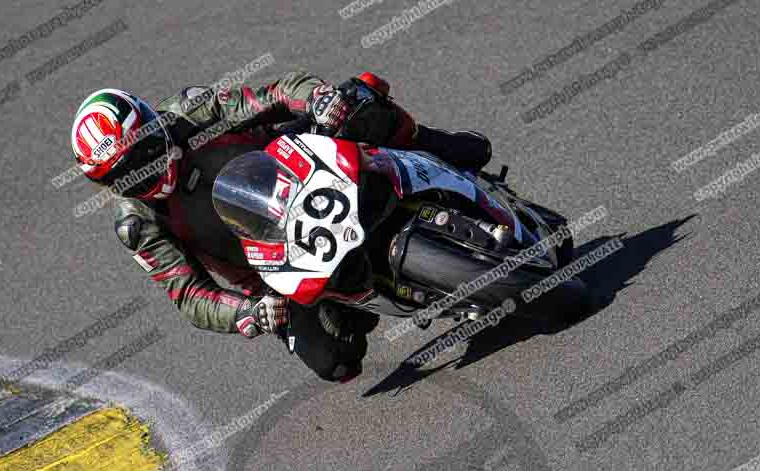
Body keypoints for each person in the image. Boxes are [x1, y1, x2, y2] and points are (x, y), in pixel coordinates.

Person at [70, 71, 492, 382]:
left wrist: (316, 100)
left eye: (144, 151)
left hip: (300, 169)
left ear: (150, 124)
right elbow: (189, 295)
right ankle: (355, 300)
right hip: (271, 264)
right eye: (128, 175)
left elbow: (275, 94)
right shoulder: (137, 225)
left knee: (356, 102)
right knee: (336, 362)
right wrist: (245, 313)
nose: (148, 171)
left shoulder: (188, 114)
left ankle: (436, 144)